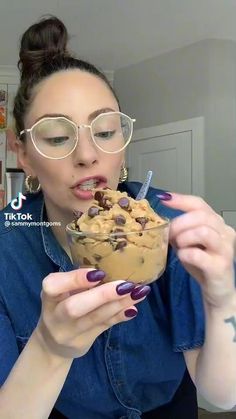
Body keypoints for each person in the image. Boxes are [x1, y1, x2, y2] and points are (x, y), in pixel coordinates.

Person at [0, 16, 235, 419]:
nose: (88, 154)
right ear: (24, 156)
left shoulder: (169, 226)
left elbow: (222, 397)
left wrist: (222, 299)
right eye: (58, 137)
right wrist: (50, 348)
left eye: (106, 131)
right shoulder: (7, 247)